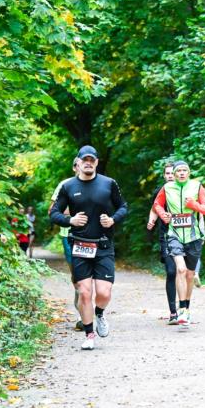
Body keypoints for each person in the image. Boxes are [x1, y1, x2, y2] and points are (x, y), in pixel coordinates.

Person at [49, 145, 128, 350]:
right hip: (80, 245)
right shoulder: (68, 186)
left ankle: (99, 313)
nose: (88, 163)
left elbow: (123, 207)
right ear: (78, 162)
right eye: (85, 160)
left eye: (92, 160)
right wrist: (70, 220)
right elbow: (54, 213)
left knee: (104, 293)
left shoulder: (109, 183)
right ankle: (89, 334)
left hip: (103, 245)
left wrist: (112, 220)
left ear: (96, 163)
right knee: (84, 293)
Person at [152, 159, 205, 327]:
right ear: (174, 173)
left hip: (194, 237)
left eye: (184, 170)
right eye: (178, 171)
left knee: (190, 275)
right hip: (174, 235)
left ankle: (186, 308)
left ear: (189, 172)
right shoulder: (167, 188)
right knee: (180, 269)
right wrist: (163, 214)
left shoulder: (197, 186)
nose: (181, 173)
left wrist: (194, 205)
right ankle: (181, 309)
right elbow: (157, 204)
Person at [50, 159, 84, 330]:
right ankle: (81, 312)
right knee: (77, 276)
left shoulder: (100, 183)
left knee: (91, 276)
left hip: (93, 236)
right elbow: (52, 211)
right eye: (79, 164)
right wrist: (73, 214)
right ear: (74, 168)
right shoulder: (65, 185)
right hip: (69, 235)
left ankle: (88, 314)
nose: (82, 166)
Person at [146, 161, 178, 324]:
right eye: (167, 173)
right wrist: (151, 220)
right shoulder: (160, 191)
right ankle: (173, 312)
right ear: (164, 176)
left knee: (184, 273)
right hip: (166, 236)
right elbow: (154, 208)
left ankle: (185, 309)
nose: (170, 176)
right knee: (171, 272)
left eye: (173, 173)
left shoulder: (186, 190)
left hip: (185, 237)